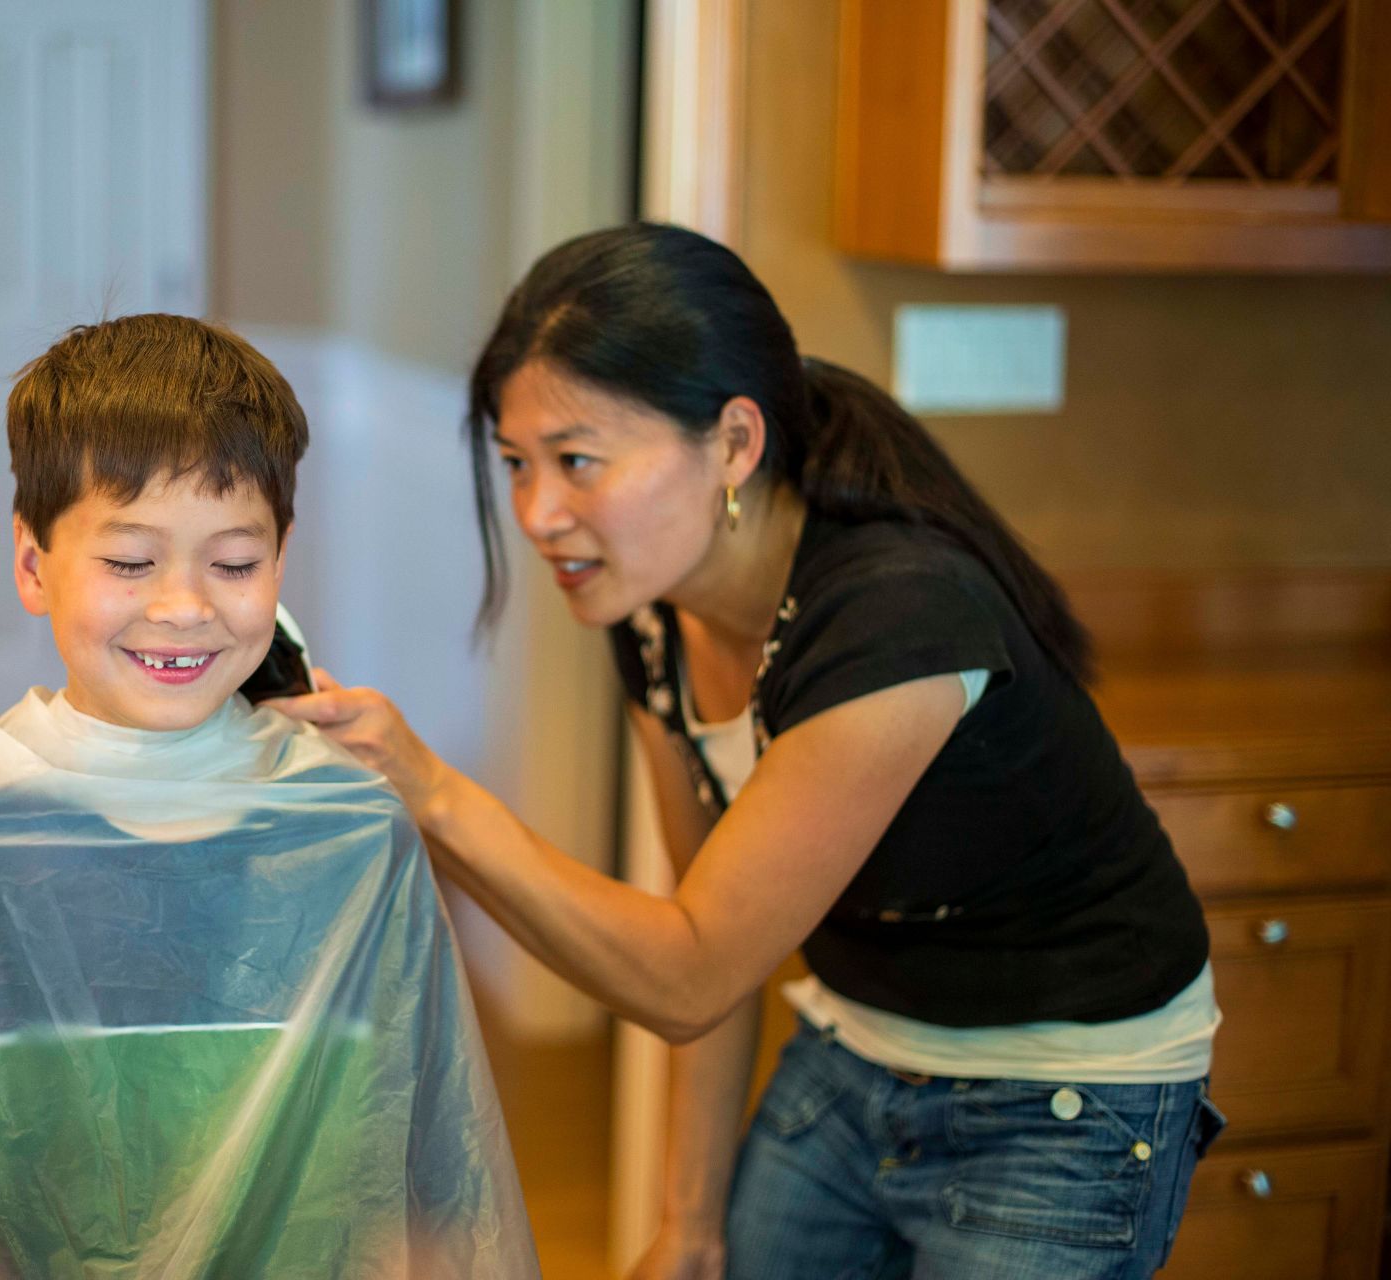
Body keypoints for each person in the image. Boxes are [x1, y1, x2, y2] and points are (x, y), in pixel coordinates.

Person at [267, 224, 1224, 1280]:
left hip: (1066, 1089)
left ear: (732, 441)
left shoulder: (896, 622)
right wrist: (689, 1221)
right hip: (862, 1038)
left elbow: (685, 971)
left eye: (578, 458)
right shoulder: (655, 616)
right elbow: (707, 927)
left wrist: (430, 787)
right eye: (515, 463)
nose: (539, 513)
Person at [0, 315, 538, 1280]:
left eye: (233, 563)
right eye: (131, 562)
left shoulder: (344, 831)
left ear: (281, 560)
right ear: (31, 563)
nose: (183, 606)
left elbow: (418, 1180)